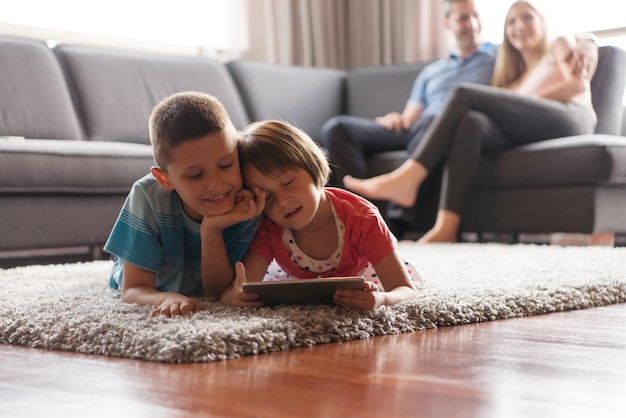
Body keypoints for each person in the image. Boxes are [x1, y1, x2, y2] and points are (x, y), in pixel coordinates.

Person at [343, 1, 598, 244]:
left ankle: (409, 178)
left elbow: (578, 83)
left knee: (463, 92)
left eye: (527, 17)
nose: (519, 25)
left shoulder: (559, 44)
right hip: (535, 128)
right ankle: (446, 227)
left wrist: (589, 42)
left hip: (572, 117)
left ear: (542, 21)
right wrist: (518, 98)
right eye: (511, 21)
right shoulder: (513, 80)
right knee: (472, 123)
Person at [320, 0, 497, 236]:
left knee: (434, 116)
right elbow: (409, 117)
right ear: (447, 23)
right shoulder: (432, 71)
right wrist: (397, 119)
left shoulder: (496, 58)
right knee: (338, 128)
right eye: (463, 18)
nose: (472, 24)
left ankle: (395, 220)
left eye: (475, 16)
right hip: (419, 127)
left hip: (451, 126)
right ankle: (363, 218)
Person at [220, 120, 421, 311]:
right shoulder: (269, 228)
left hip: (365, 275)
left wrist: (381, 299)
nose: (283, 202)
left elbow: (406, 291)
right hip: (294, 278)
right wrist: (236, 296)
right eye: (268, 197)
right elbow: (233, 291)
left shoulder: (363, 218)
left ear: (312, 165)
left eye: (288, 182)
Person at [104, 91, 264, 317]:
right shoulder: (148, 196)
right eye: (196, 175)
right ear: (164, 179)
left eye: (226, 165)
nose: (216, 185)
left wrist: (211, 229)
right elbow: (132, 290)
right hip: (153, 280)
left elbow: (217, 294)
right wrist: (166, 297)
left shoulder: (248, 202)